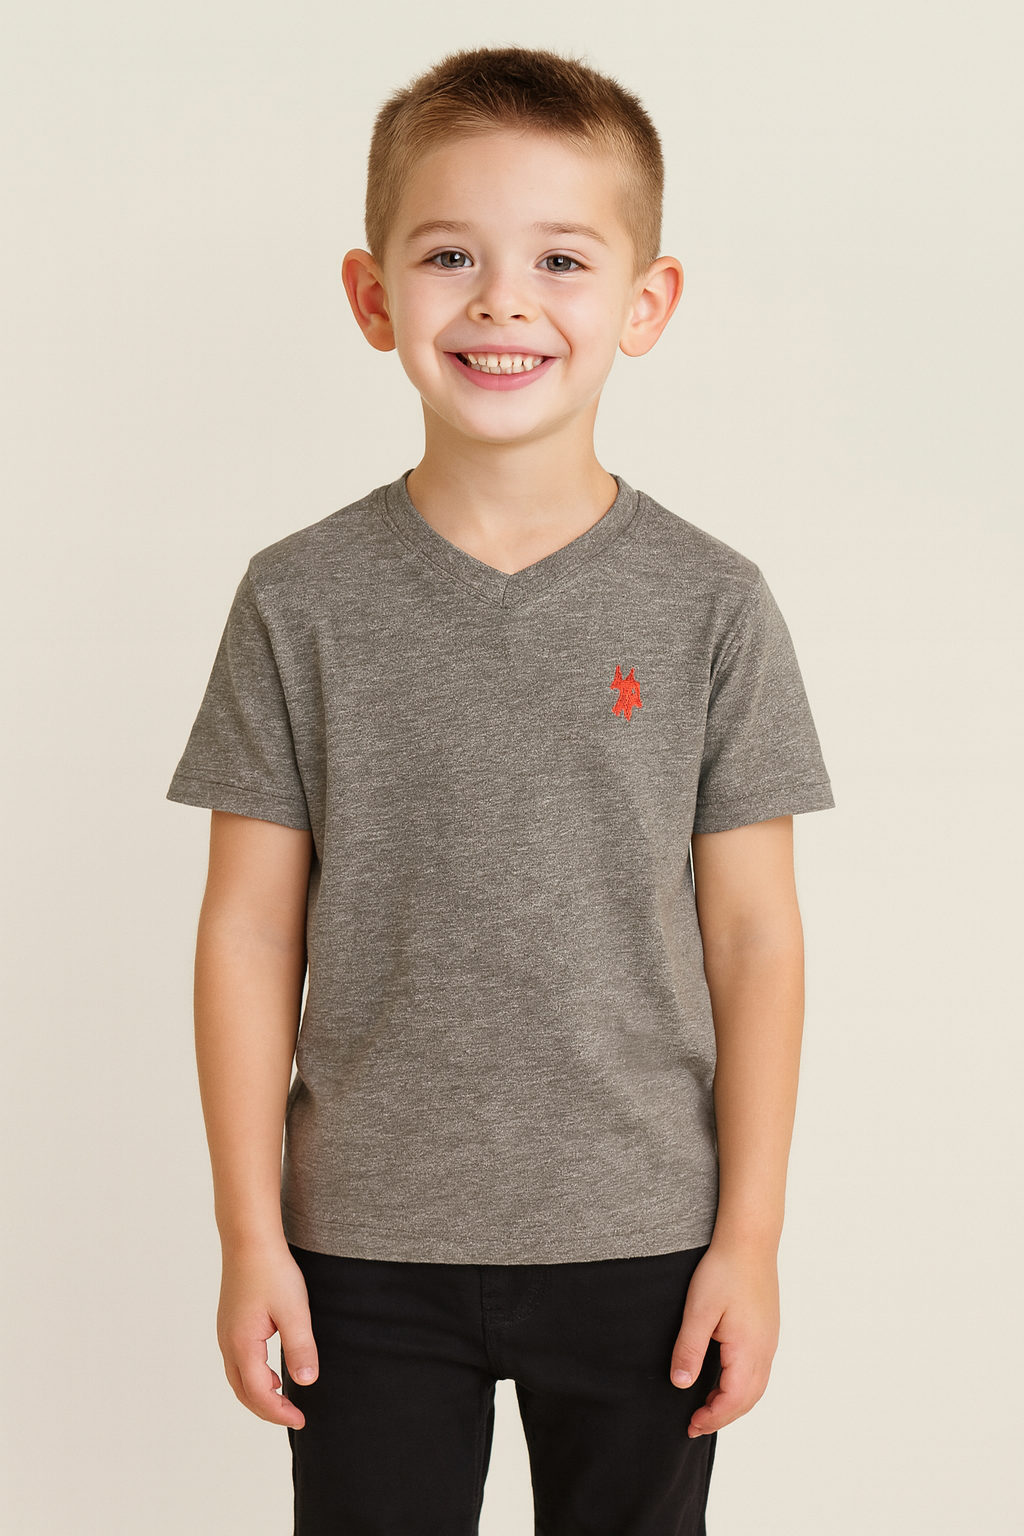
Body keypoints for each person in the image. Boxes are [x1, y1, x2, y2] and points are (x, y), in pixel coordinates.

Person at [167, 46, 834, 1536]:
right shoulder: (298, 599)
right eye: (451, 255)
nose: (502, 303)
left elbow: (756, 939)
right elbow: (248, 930)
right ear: (372, 295)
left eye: (561, 261)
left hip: (647, 1241)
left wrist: (751, 1239)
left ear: (646, 302)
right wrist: (248, 1234)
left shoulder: (713, 604)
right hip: (361, 1251)